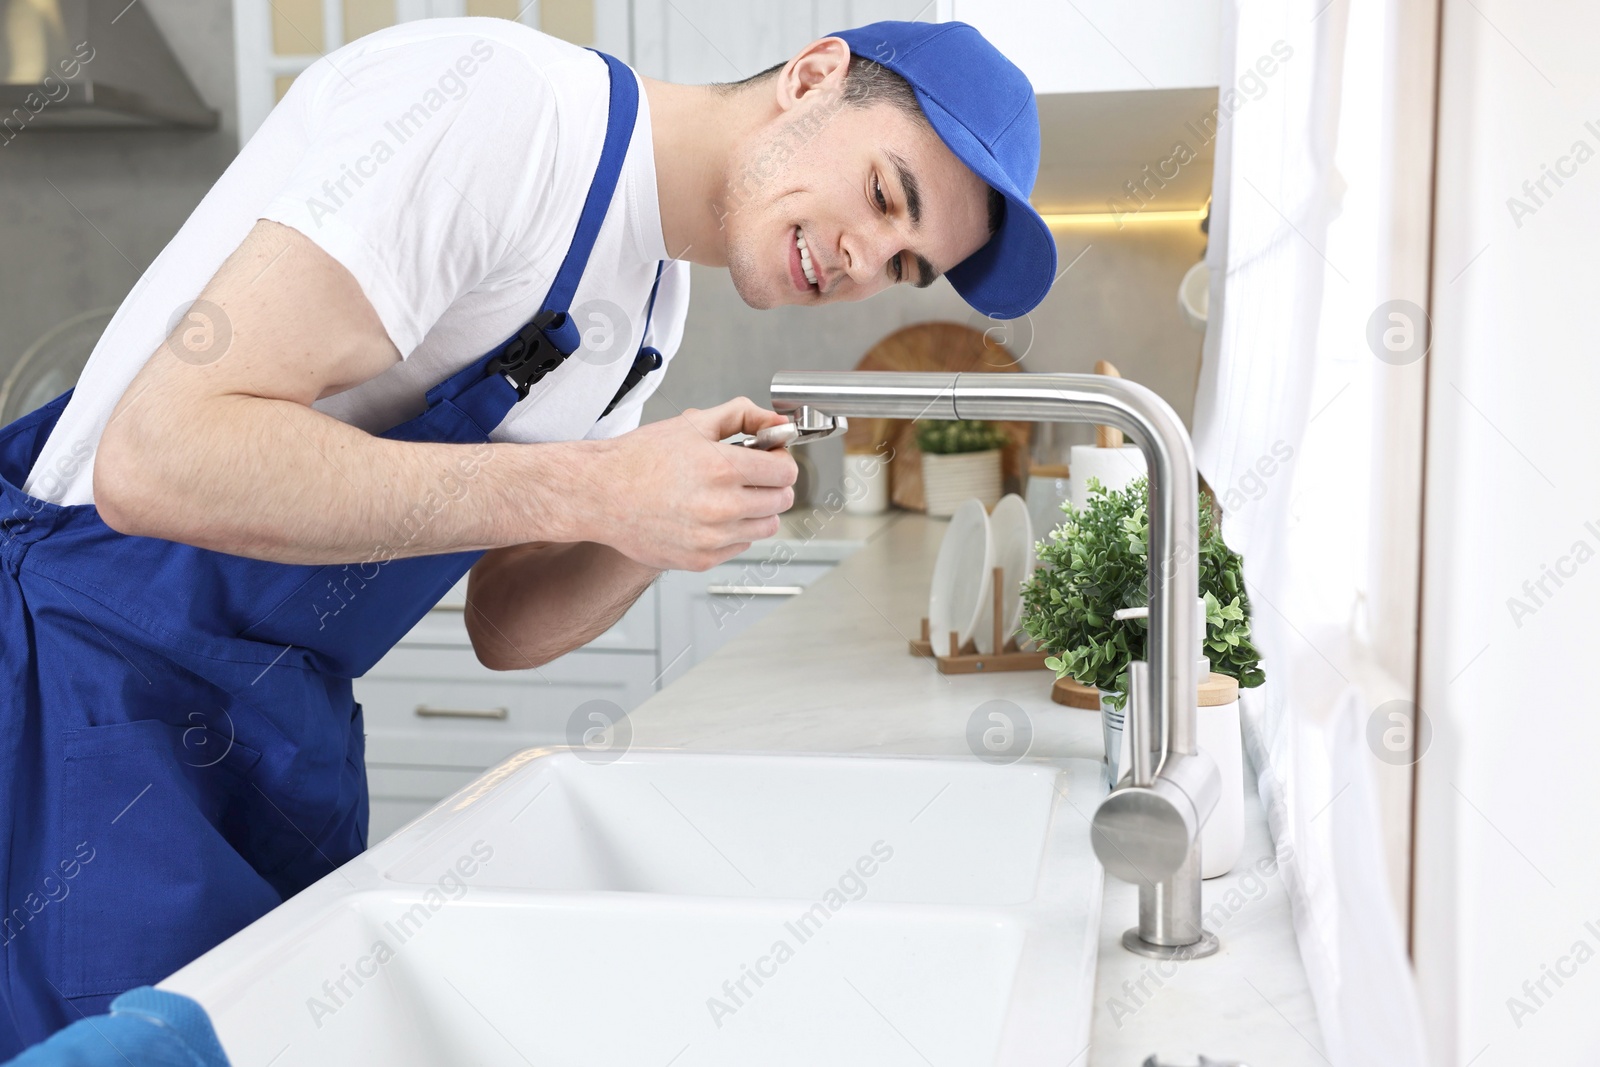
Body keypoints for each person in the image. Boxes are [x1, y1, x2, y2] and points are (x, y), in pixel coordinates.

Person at [0, 15, 1056, 1056]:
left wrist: (663, 522)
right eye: (883, 195)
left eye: (905, 262)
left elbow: (507, 623)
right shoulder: (502, 114)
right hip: (89, 679)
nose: (865, 259)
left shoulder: (649, 308)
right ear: (814, 76)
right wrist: (590, 486)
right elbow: (160, 457)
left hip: (278, 721)